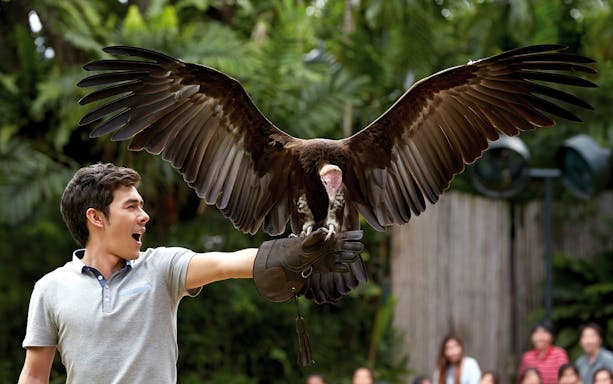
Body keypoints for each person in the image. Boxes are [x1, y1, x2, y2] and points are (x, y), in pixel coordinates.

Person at [18, 163, 364, 383]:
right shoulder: (51, 289)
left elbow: (227, 264)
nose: (145, 216)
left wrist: (296, 253)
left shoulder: (161, 268)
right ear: (96, 218)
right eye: (132, 206)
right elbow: (34, 377)